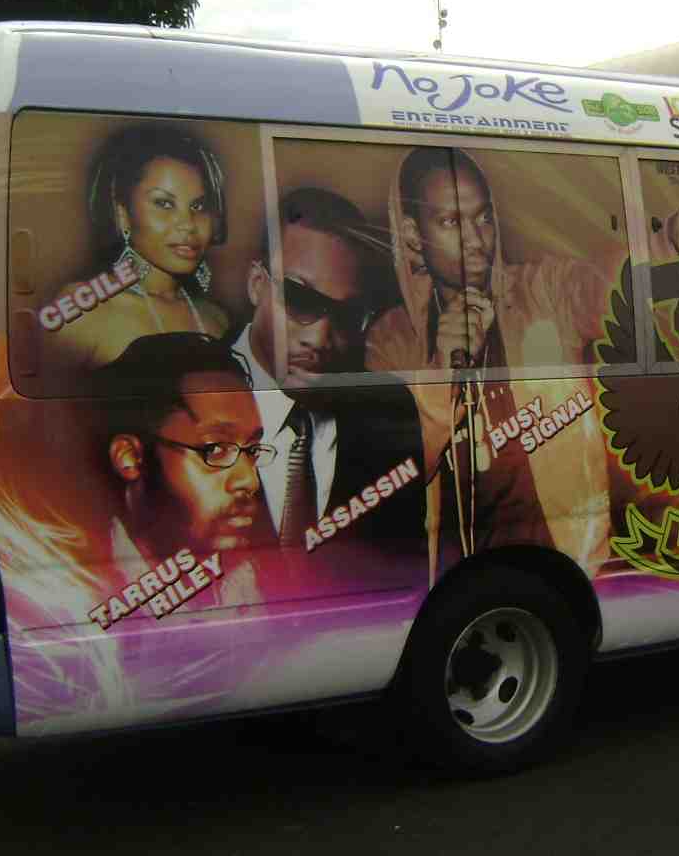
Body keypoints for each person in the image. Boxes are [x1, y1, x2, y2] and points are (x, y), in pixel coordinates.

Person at [366, 146, 679, 579]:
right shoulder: (391, 341)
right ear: (412, 235)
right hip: (451, 580)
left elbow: (596, 286)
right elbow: (393, 475)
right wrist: (443, 370)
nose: (476, 240)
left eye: (483, 218)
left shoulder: (539, 293)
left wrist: (665, 244)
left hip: (564, 562)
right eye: (451, 222)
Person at [232, 187, 426, 583]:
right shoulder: (174, 388)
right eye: (299, 298)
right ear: (256, 284)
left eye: (346, 314)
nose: (320, 337)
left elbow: (398, 573)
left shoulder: (388, 408)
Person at [47, 123, 231, 373]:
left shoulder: (217, 319)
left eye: (198, 206)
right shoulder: (81, 308)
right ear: (123, 214)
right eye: (164, 203)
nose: (188, 224)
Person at [97, 333, 275, 570]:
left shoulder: (247, 573)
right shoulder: (82, 581)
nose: (250, 481)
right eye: (215, 449)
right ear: (130, 457)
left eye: (252, 450)